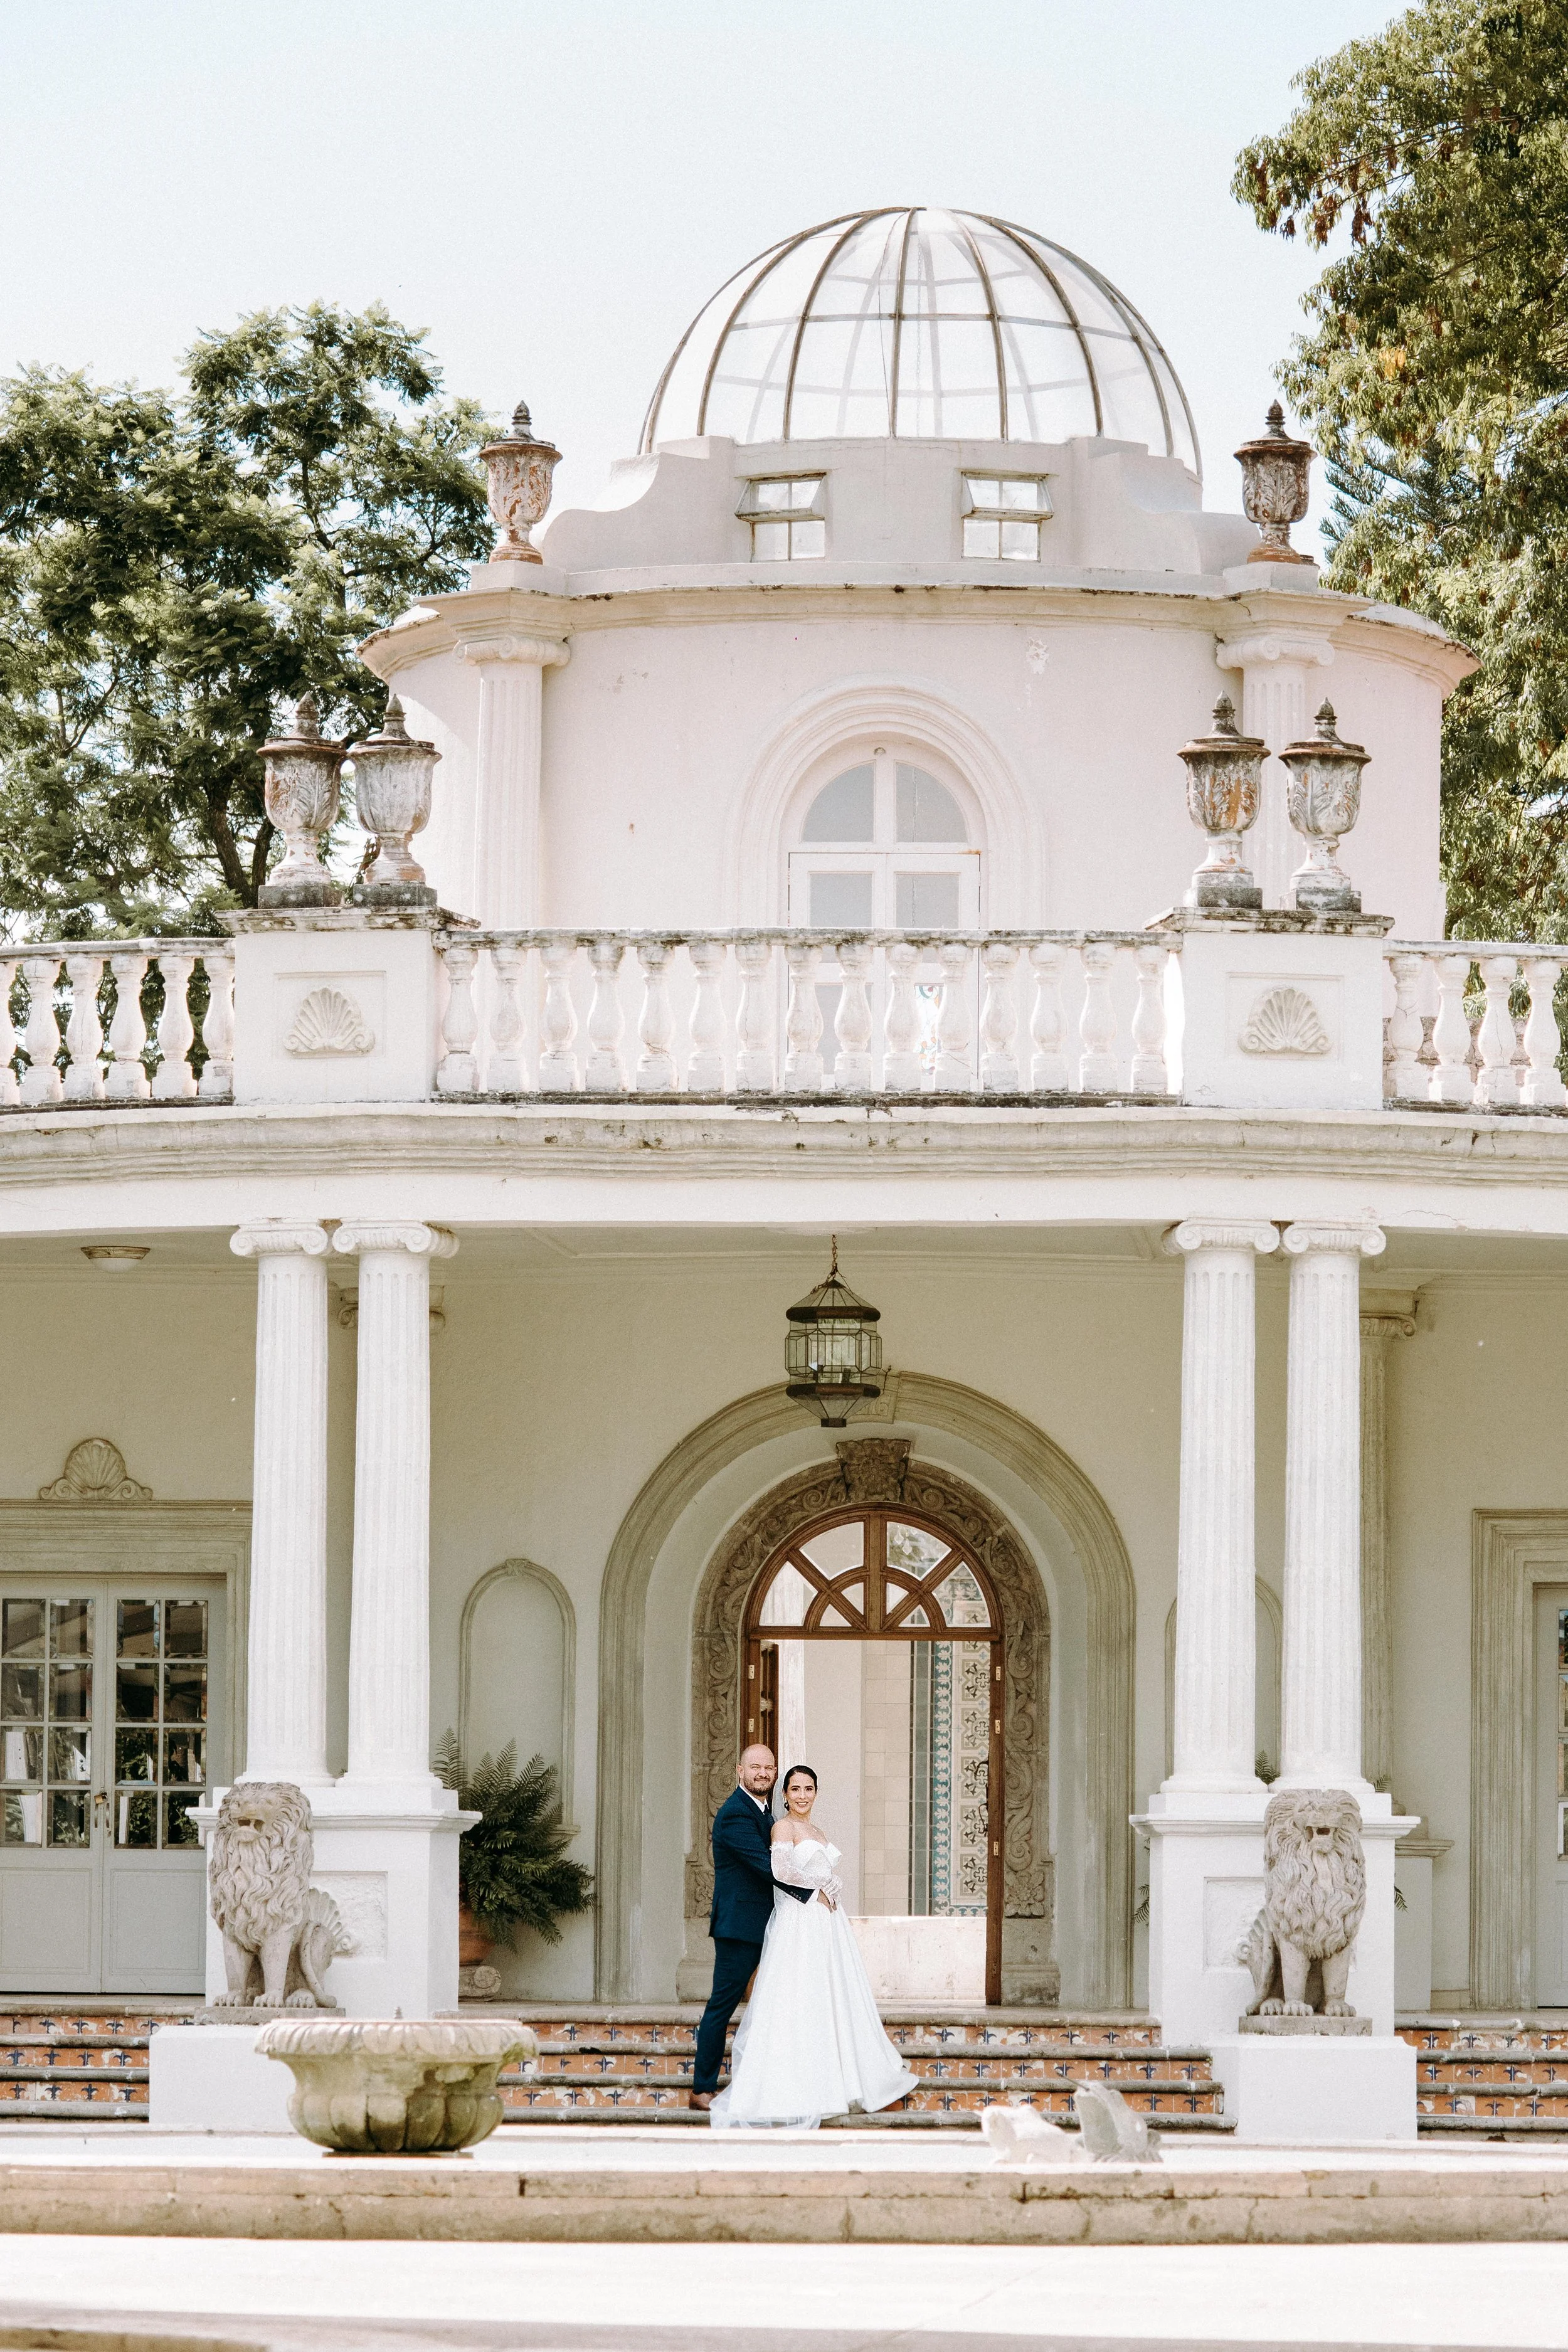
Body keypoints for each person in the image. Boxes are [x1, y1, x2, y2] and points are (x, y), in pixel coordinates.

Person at [707, 1761, 918, 2129]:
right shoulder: (782, 1827)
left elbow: (820, 1870)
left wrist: (832, 1886)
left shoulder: (817, 1830)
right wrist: (818, 1888)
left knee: (833, 1997)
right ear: (785, 1794)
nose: (802, 1796)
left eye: (809, 1789)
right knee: (799, 1998)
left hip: (828, 1924)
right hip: (800, 1922)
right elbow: (781, 1872)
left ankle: (848, 2083)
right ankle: (798, 2091)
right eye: (796, 1789)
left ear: (815, 1793)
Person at [689, 1743, 811, 2112]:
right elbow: (765, 1866)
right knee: (721, 2006)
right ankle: (702, 2089)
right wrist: (812, 1893)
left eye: (768, 1767)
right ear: (739, 1772)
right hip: (739, 1928)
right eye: (754, 1767)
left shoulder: (763, 1811)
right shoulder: (735, 1814)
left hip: (768, 1925)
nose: (762, 1773)